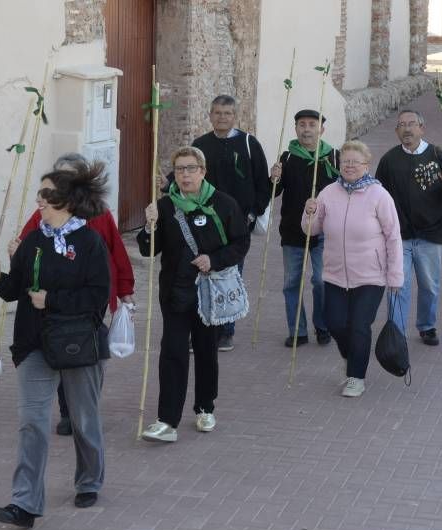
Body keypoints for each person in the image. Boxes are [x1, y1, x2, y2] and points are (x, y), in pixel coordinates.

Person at [0, 162, 111, 530]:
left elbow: (97, 297)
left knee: (84, 420)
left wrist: (50, 300)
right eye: (39, 194)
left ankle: (89, 480)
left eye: (46, 195)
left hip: (78, 345)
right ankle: (25, 503)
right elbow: (14, 289)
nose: (39, 200)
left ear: (66, 201)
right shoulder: (34, 241)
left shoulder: (89, 242)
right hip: (34, 344)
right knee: (32, 424)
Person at [9, 153, 135, 437]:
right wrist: (15, 256)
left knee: (81, 345)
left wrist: (125, 288)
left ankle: (79, 408)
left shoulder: (99, 215)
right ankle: (68, 412)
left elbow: (116, 251)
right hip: (49, 303)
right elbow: (27, 249)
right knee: (59, 345)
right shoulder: (42, 216)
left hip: (89, 298)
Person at [138, 146, 249, 443]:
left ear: (203, 171)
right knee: (173, 352)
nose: (185, 175)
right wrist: (149, 227)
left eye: (190, 168)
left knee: (205, 350)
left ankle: (204, 407)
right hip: (175, 291)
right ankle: (166, 420)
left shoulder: (224, 204)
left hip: (209, 292)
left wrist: (214, 260)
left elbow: (240, 243)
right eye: (179, 169)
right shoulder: (164, 206)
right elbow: (148, 250)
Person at [302, 141, 403, 398]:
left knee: (359, 325)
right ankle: (352, 356)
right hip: (335, 273)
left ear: (366, 166)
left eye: (354, 162)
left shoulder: (379, 196)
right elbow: (310, 230)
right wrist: (309, 212)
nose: (348, 166)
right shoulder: (327, 192)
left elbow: (393, 236)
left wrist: (395, 274)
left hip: (370, 275)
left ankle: (356, 377)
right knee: (334, 323)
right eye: (345, 161)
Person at [375, 110, 442, 346]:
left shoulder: (437, 155)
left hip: (430, 234)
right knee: (398, 285)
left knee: (429, 285)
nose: (407, 129)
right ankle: (396, 331)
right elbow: (377, 194)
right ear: (397, 131)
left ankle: (427, 325)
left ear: (422, 128)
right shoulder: (389, 160)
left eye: (412, 124)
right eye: (402, 125)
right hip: (399, 236)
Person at [191, 95, 271, 351]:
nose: (222, 117)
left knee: (229, 275)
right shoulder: (200, 145)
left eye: (227, 113)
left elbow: (263, 183)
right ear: (210, 115)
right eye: (217, 113)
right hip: (205, 223)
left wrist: (252, 213)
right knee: (202, 274)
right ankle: (204, 328)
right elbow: (188, 174)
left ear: (235, 116)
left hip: (237, 225)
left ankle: (226, 330)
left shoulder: (249, 144)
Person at [270, 109, 337, 348]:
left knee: (321, 280)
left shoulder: (334, 158)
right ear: (296, 128)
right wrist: (274, 178)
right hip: (292, 231)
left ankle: (322, 325)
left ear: (322, 129)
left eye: (312, 124)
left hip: (325, 232)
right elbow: (274, 192)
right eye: (302, 124)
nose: (307, 129)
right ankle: (297, 330)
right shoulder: (287, 158)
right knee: (292, 282)